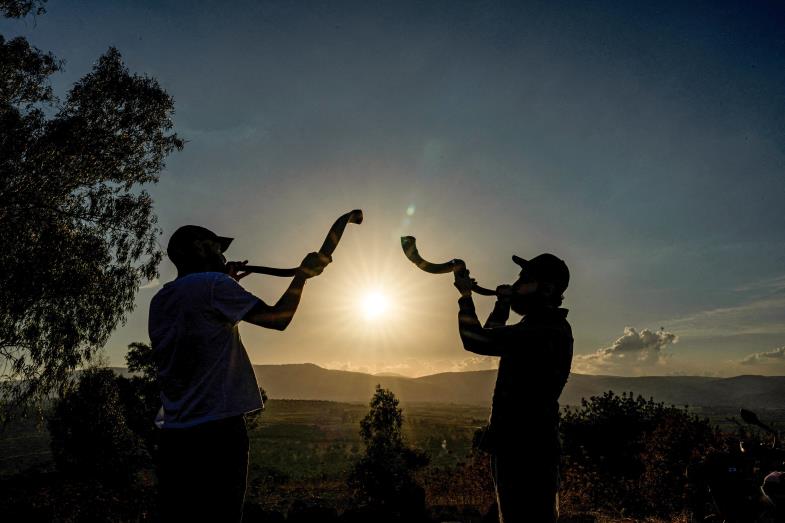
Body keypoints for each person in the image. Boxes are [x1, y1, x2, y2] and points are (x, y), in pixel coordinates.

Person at [148, 224, 331, 522]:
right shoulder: (213, 286)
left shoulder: (162, 299)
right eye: (217, 248)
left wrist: (223, 280)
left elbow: (199, 322)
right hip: (217, 432)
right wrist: (302, 276)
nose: (223, 255)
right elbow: (278, 318)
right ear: (199, 248)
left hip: (174, 435)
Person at [453, 253, 573, 523]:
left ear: (547, 288)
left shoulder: (544, 330)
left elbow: (476, 339)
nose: (516, 283)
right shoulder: (538, 326)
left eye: (524, 279)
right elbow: (494, 334)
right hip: (523, 446)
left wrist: (464, 296)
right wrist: (503, 303)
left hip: (526, 451)